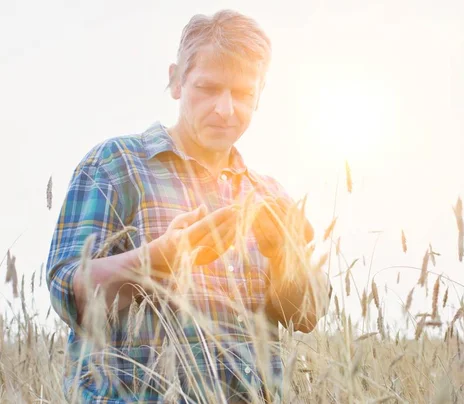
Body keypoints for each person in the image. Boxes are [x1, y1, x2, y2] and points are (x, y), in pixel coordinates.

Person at [46, 9, 331, 403]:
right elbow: (66, 289)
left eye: (244, 93)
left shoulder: (269, 194)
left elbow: (306, 316)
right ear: (176, 80)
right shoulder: (116, 165)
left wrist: (283, 256)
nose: (226, 109)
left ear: (261, 94)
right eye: (209, 88)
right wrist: (155, 261)